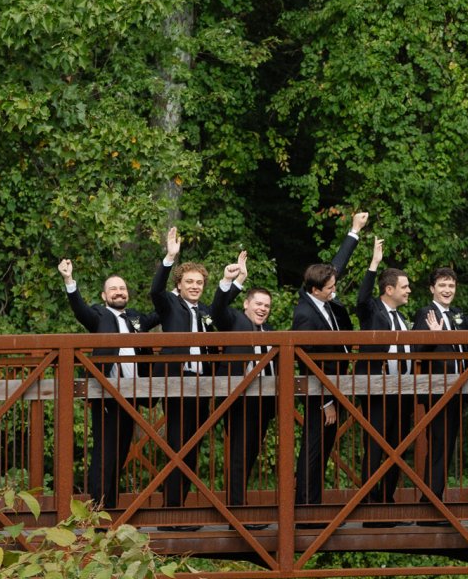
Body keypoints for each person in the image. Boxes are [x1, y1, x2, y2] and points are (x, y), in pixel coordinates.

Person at [59, 258, 159, 511]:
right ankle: (98, 509)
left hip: (132, 395)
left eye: (122, 288)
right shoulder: (98, 314)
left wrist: (177, 289)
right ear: (105, 296)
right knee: (104, 453)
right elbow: (80, 310)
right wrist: (69, 281)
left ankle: (111, 507)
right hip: (106, 394)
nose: (119, 292)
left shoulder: (136, 318)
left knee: (120, 453)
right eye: (113, 289)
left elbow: (162, 312)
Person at [290, 211, 368, 509]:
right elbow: (307, 361)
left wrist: (354, 231)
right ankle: (306, 504)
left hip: (334, 385)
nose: (335, 290)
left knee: (323, 445)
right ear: (314, 290)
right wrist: (326, 401)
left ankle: (311, 499)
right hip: (319, 391)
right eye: (330, 288)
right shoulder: (305, 315)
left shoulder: (321, 297)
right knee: (314, 446)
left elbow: (336, 267)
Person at [148, 226, 217, 512]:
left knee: (193, 446)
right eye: (190, 281)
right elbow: (155, 290)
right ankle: (171, 507)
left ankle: (183, 504)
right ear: (179, 284)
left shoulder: (204, 312)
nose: (195, 286)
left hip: (202, 382)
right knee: (177, 445)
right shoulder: (171, 305)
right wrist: (169, 257)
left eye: (199, 283)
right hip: (177, 380)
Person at [209, 250, 277, 509]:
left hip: (264, 401)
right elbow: (217, 310)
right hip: (238, 399)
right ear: (247, 304)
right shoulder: (234, 320)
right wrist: (232, 281)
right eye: (258, 304)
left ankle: (240, 501)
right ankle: (236, 507)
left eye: (266, 306)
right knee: (238, 454)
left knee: (250, 454)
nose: (262, 309)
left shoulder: (269, 331)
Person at [354, 238, 416, 513]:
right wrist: (374, 263)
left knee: (398, 448)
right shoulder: (373, 312)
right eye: (404, 287)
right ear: (389, 289)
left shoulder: (403, 319)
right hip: (376, 391)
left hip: (402, 393)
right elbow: (362, 298)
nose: (409, 291)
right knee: (376, 448)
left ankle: (386, 500)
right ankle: (368, 503)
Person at [412, 266, 468, 501]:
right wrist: (434, 337)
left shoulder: (457, 314)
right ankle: (429, 501)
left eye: (451, 286)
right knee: (439, 445)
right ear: (432, 288)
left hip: (460, 391)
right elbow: (417, 350)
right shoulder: (425, 313)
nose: (447, 290)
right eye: (442, 285)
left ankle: (433, 497)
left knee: (447, 446)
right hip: (437, 391)